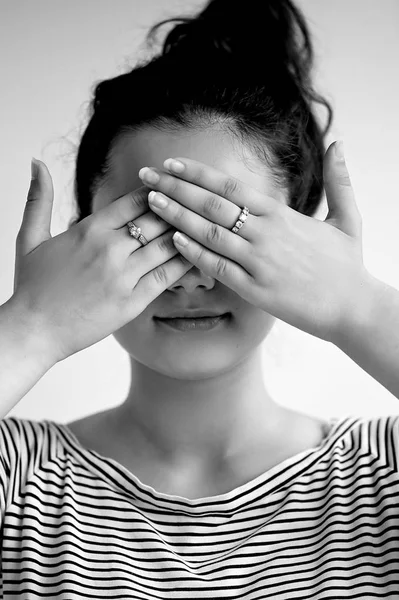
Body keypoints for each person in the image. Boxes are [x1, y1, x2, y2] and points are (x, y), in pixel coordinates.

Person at [1, 0, 399, 597]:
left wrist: (360, 308)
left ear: (302, 244)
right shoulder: (19, 481)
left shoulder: (383, 473)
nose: (190, 279)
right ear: (83, 239)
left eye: (230, 231)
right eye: (153, 233)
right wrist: (29, 325)